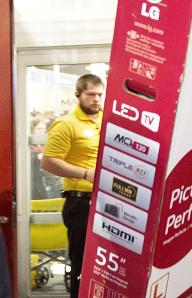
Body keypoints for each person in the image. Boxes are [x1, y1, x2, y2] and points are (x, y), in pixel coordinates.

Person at [41, 74, 104, 298]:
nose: (96, 99)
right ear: (78, 95)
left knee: (106, 267)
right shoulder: (66, 124)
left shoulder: (107, 121)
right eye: (90, 95)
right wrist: (86, 174)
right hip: (81, 204)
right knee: (83, 268)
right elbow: (48, 161)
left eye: (99, 95)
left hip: (108, 202)